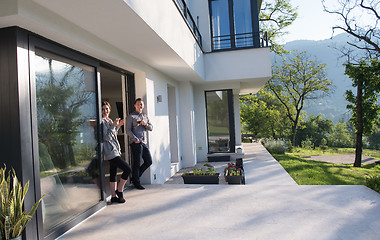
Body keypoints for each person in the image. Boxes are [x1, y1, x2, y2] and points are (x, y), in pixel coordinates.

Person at [102, 101, 131, 203]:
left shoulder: (109, 120)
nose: (105, 111)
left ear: (110, 109)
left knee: (113, 172)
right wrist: (114, 126)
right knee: (127, 169)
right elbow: (106, 137)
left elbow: (113, 134)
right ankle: (120, 191)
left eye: (107, 109)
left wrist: (118, 126)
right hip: (110, 152)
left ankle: (113, 196)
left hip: (115, 149)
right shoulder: (102, 122)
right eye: (103, 109)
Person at [126, 98, 153, 190]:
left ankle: (135, 177)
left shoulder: (145, 116)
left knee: (149, 161)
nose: (140, 105)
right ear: (134, 105)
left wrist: (145, 124)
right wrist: (135, 139)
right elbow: (128, 130)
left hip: (144, 142)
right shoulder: (131, 116)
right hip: (136, 143)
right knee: (137, 163)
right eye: (138, 104)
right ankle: (137, 182)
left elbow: (151, 127)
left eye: (141, 104)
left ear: (143, 105)